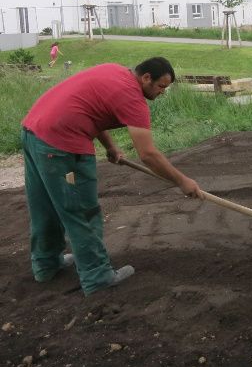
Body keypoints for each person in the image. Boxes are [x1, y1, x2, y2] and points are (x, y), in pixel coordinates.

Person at [21, 57, 202, 295]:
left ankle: (46, 265)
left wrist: (110, 146)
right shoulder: (133, 99)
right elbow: (147, 154)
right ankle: (97, 277)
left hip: (34, 132)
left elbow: (89, 109)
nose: (162, 92)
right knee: (82, 212)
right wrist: (182, 181)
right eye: (161, 86)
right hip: (62, 146)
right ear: (146, 77)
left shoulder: (113, 71)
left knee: (44, 206)